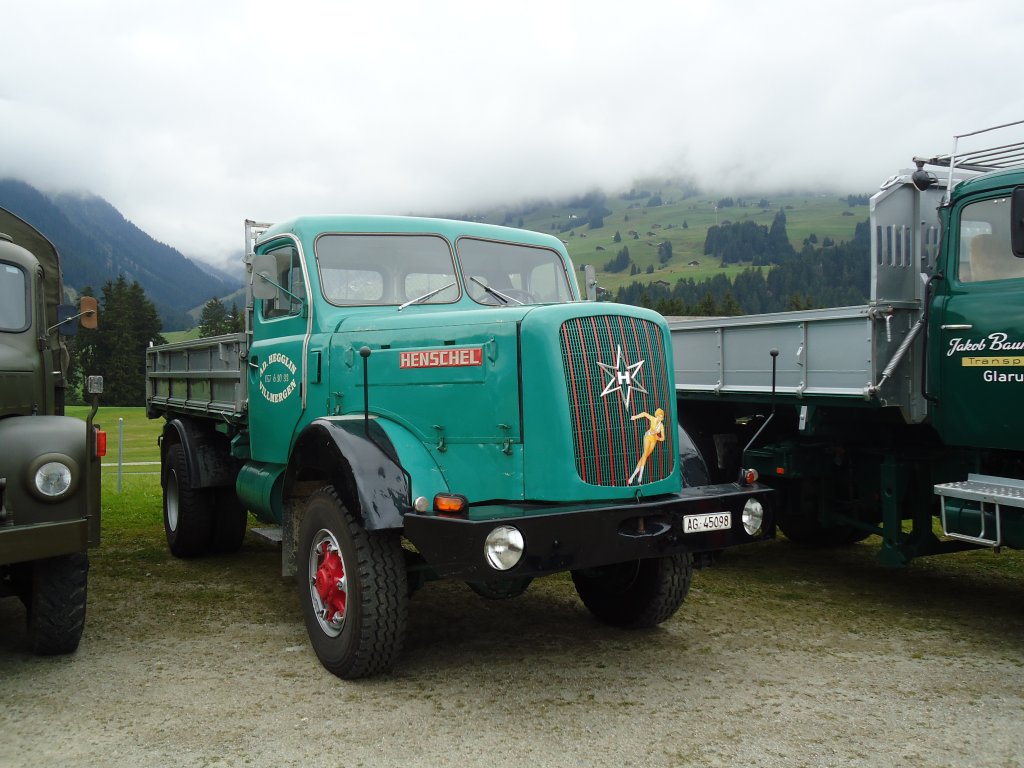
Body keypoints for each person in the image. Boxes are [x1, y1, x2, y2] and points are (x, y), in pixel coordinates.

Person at [628, 407, 665, 485]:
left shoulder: (661, 426)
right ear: (656, 415)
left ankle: (632, 476)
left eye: (661, 417)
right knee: (644, 455)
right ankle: (640, 475)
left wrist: (658, 438)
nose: (659, 418)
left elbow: (663, 438)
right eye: (659, 416)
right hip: (647, 437)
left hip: (654, 441)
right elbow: (644, 414)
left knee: (644, 457)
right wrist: (635, 417)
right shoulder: (653, 419)